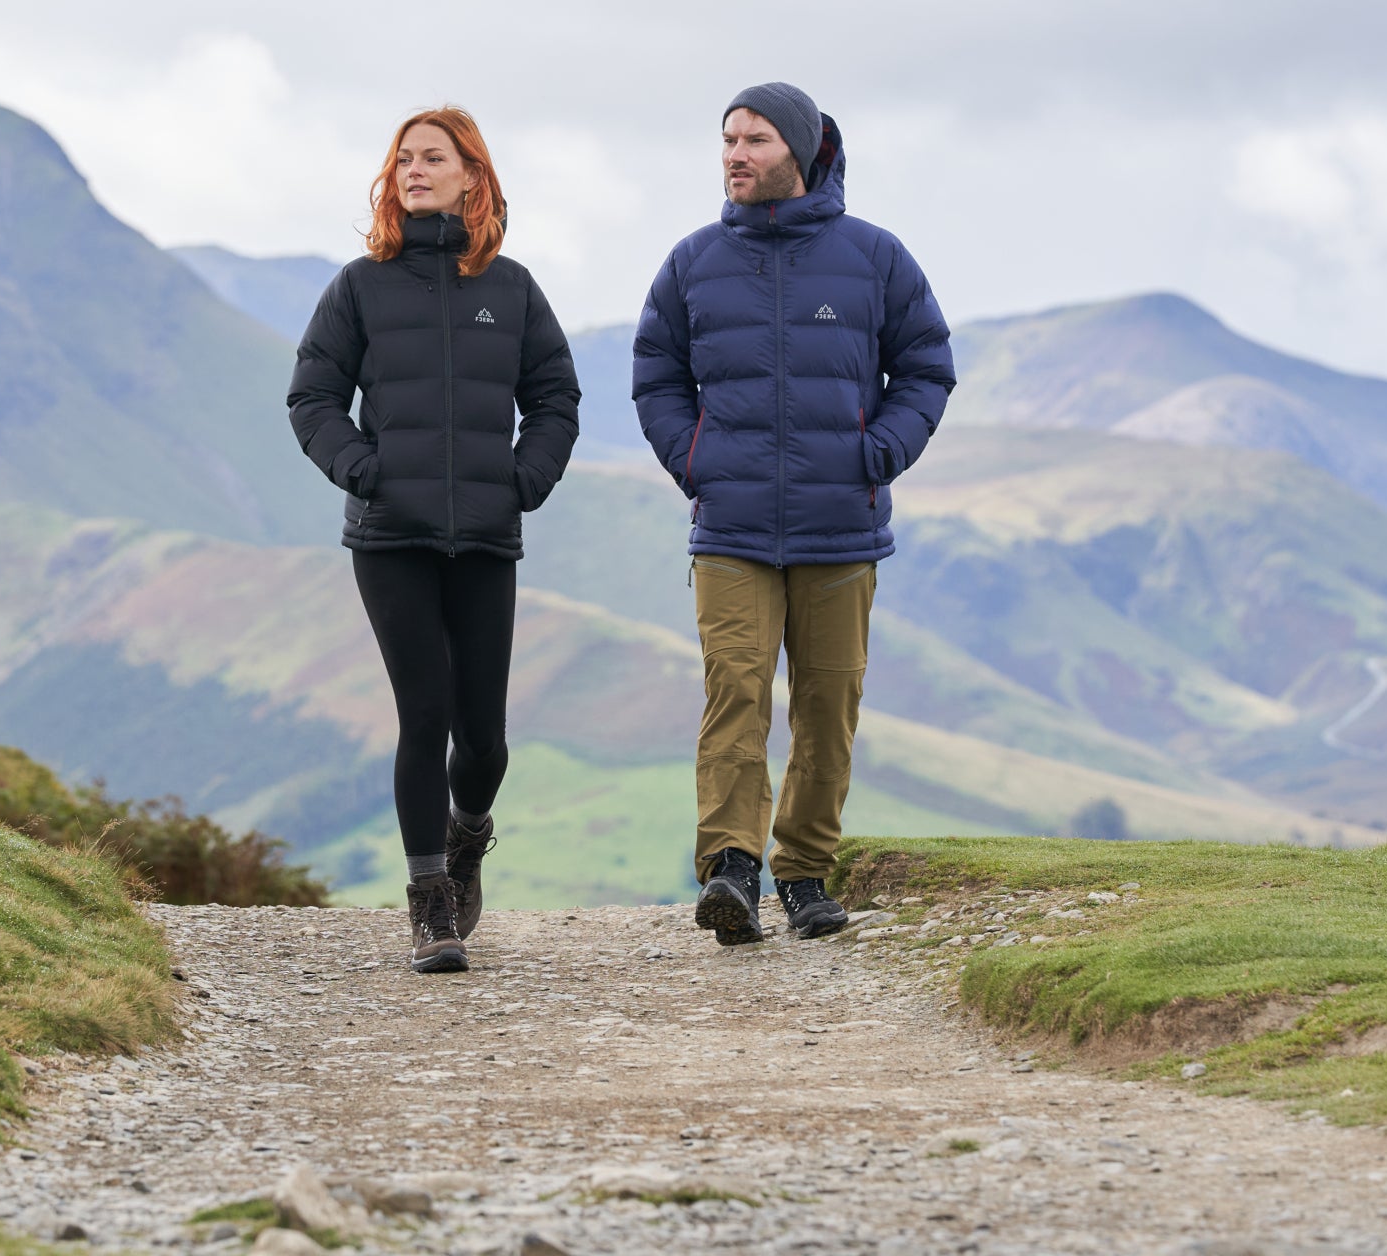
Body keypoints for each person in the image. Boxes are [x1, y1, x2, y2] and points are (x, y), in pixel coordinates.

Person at [631, 82, 954, 946]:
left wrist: (875, 453)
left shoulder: (876, 259)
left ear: (803, 153)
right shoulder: (693, 262)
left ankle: (805, 872)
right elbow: (655, 375)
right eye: (729, 140)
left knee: (826, 702)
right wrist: (692, 461)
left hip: (840, 524)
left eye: (757, 140)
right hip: (731, 527)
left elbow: (926, 367)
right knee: (734, 690)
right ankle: (732, 868)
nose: (737, 155)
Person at [288, 107, 580, 972]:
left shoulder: (513, 288)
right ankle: (429, 906)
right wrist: (361, 470)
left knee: (482, 737)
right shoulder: (359, 285)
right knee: (425, 713)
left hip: (487, 536)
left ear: (471, 176)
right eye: (403, 160)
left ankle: (469, 835)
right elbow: (312, 398)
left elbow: (556, 398)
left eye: (433, 158)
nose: (414, 170)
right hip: (392, 538)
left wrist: (525, 480)